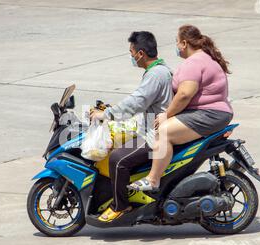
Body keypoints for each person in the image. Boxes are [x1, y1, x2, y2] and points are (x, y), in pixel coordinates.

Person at [129, 24, 234, 191]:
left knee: (162, 131)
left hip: (207, 114)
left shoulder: (193, 62)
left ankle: (153, 179)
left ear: (184, 43)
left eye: (177, 42)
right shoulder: (206, 58)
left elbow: (185, 94)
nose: (176, 47)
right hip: (217, 113)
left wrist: (166, 115)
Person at [90, 31, 173, 222]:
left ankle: (120, 206)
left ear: (141, 53)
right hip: (149, 128)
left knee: (117, 159)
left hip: (154, 135)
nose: (131, 56)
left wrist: (107, 114)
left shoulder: (156, 75)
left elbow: (136, 102)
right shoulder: (159, 70)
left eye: (131, 52)